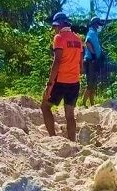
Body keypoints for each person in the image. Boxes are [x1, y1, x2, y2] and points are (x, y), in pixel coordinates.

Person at [41, 12, 83, 142]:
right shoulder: (78, 39)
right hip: (74, 81)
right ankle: (72, 142)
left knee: (45, 106)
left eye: (55, 26)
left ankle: (53, 138)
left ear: (59, 25)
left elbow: (57, 61)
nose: (55, 29)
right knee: (70, 115)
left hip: (60, 80)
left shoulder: (59, 38)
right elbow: (81, 64)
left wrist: (49, 83)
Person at [81, 17, 103, 107]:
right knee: (90, 83)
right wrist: (94, 55)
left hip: (94, 61)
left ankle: (92, 103)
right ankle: (83, 103)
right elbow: (88, 43)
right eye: (98, 24)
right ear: (95, 24)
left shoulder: (95, 33)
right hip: (90, 61)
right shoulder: (91, 32)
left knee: (93, 84)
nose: (99, 26)